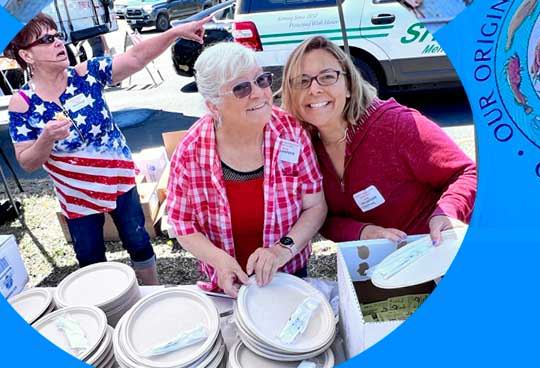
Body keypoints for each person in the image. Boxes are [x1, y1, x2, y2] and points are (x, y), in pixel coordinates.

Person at [5, 11, 210, 279]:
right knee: (91, 260)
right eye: (46, 39)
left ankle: (151, 293)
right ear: (27, 55)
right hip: (77, 198)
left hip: (120, 184)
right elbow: (27, 162)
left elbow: (136, 57)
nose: (58, 43)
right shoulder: (23, 103)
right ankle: (106, 310)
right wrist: (46, 139)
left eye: (58, 36)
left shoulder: (86, 75)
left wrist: (174, 33)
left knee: (139, 243)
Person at [166, 42, 326, 295]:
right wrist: (219, 261)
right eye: (241, 88)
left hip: (287, 271)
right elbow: (181, 223)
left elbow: (315, 205)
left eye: (261, 80)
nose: (259, 93)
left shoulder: (291, 132)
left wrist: (282, 249)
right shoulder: (191, 152)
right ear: (213, 106)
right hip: (226, 279)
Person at [281, 36, 476, 243]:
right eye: (302, 81)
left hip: (439, 251)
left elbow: (467, 172)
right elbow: (323, 216)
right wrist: (363, 232)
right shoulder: (306, 148)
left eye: (327, 77)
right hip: (382, 265)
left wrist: (446, 212)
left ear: (348, 86)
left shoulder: (395, 124)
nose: (314, 89)